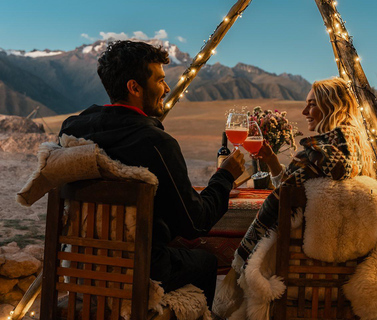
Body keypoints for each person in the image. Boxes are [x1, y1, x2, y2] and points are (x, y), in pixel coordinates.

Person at [59, 40, 245, 308]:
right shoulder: (155, 142)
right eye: (160, 80)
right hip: (137, 272)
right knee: (205, 261)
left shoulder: (71, 130)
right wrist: (225, 176)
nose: (167, 88)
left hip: (81, 267)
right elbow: (195, 224)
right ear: (134, 87)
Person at [214, 78, 377, 320]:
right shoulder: (358, 152)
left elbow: (282, 198)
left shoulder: (316, 155)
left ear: (334, 106)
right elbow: (291, 189)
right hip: (345, 281)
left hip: (290, 277)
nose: (304, 112)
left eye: (311, 104)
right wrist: (271, 160)